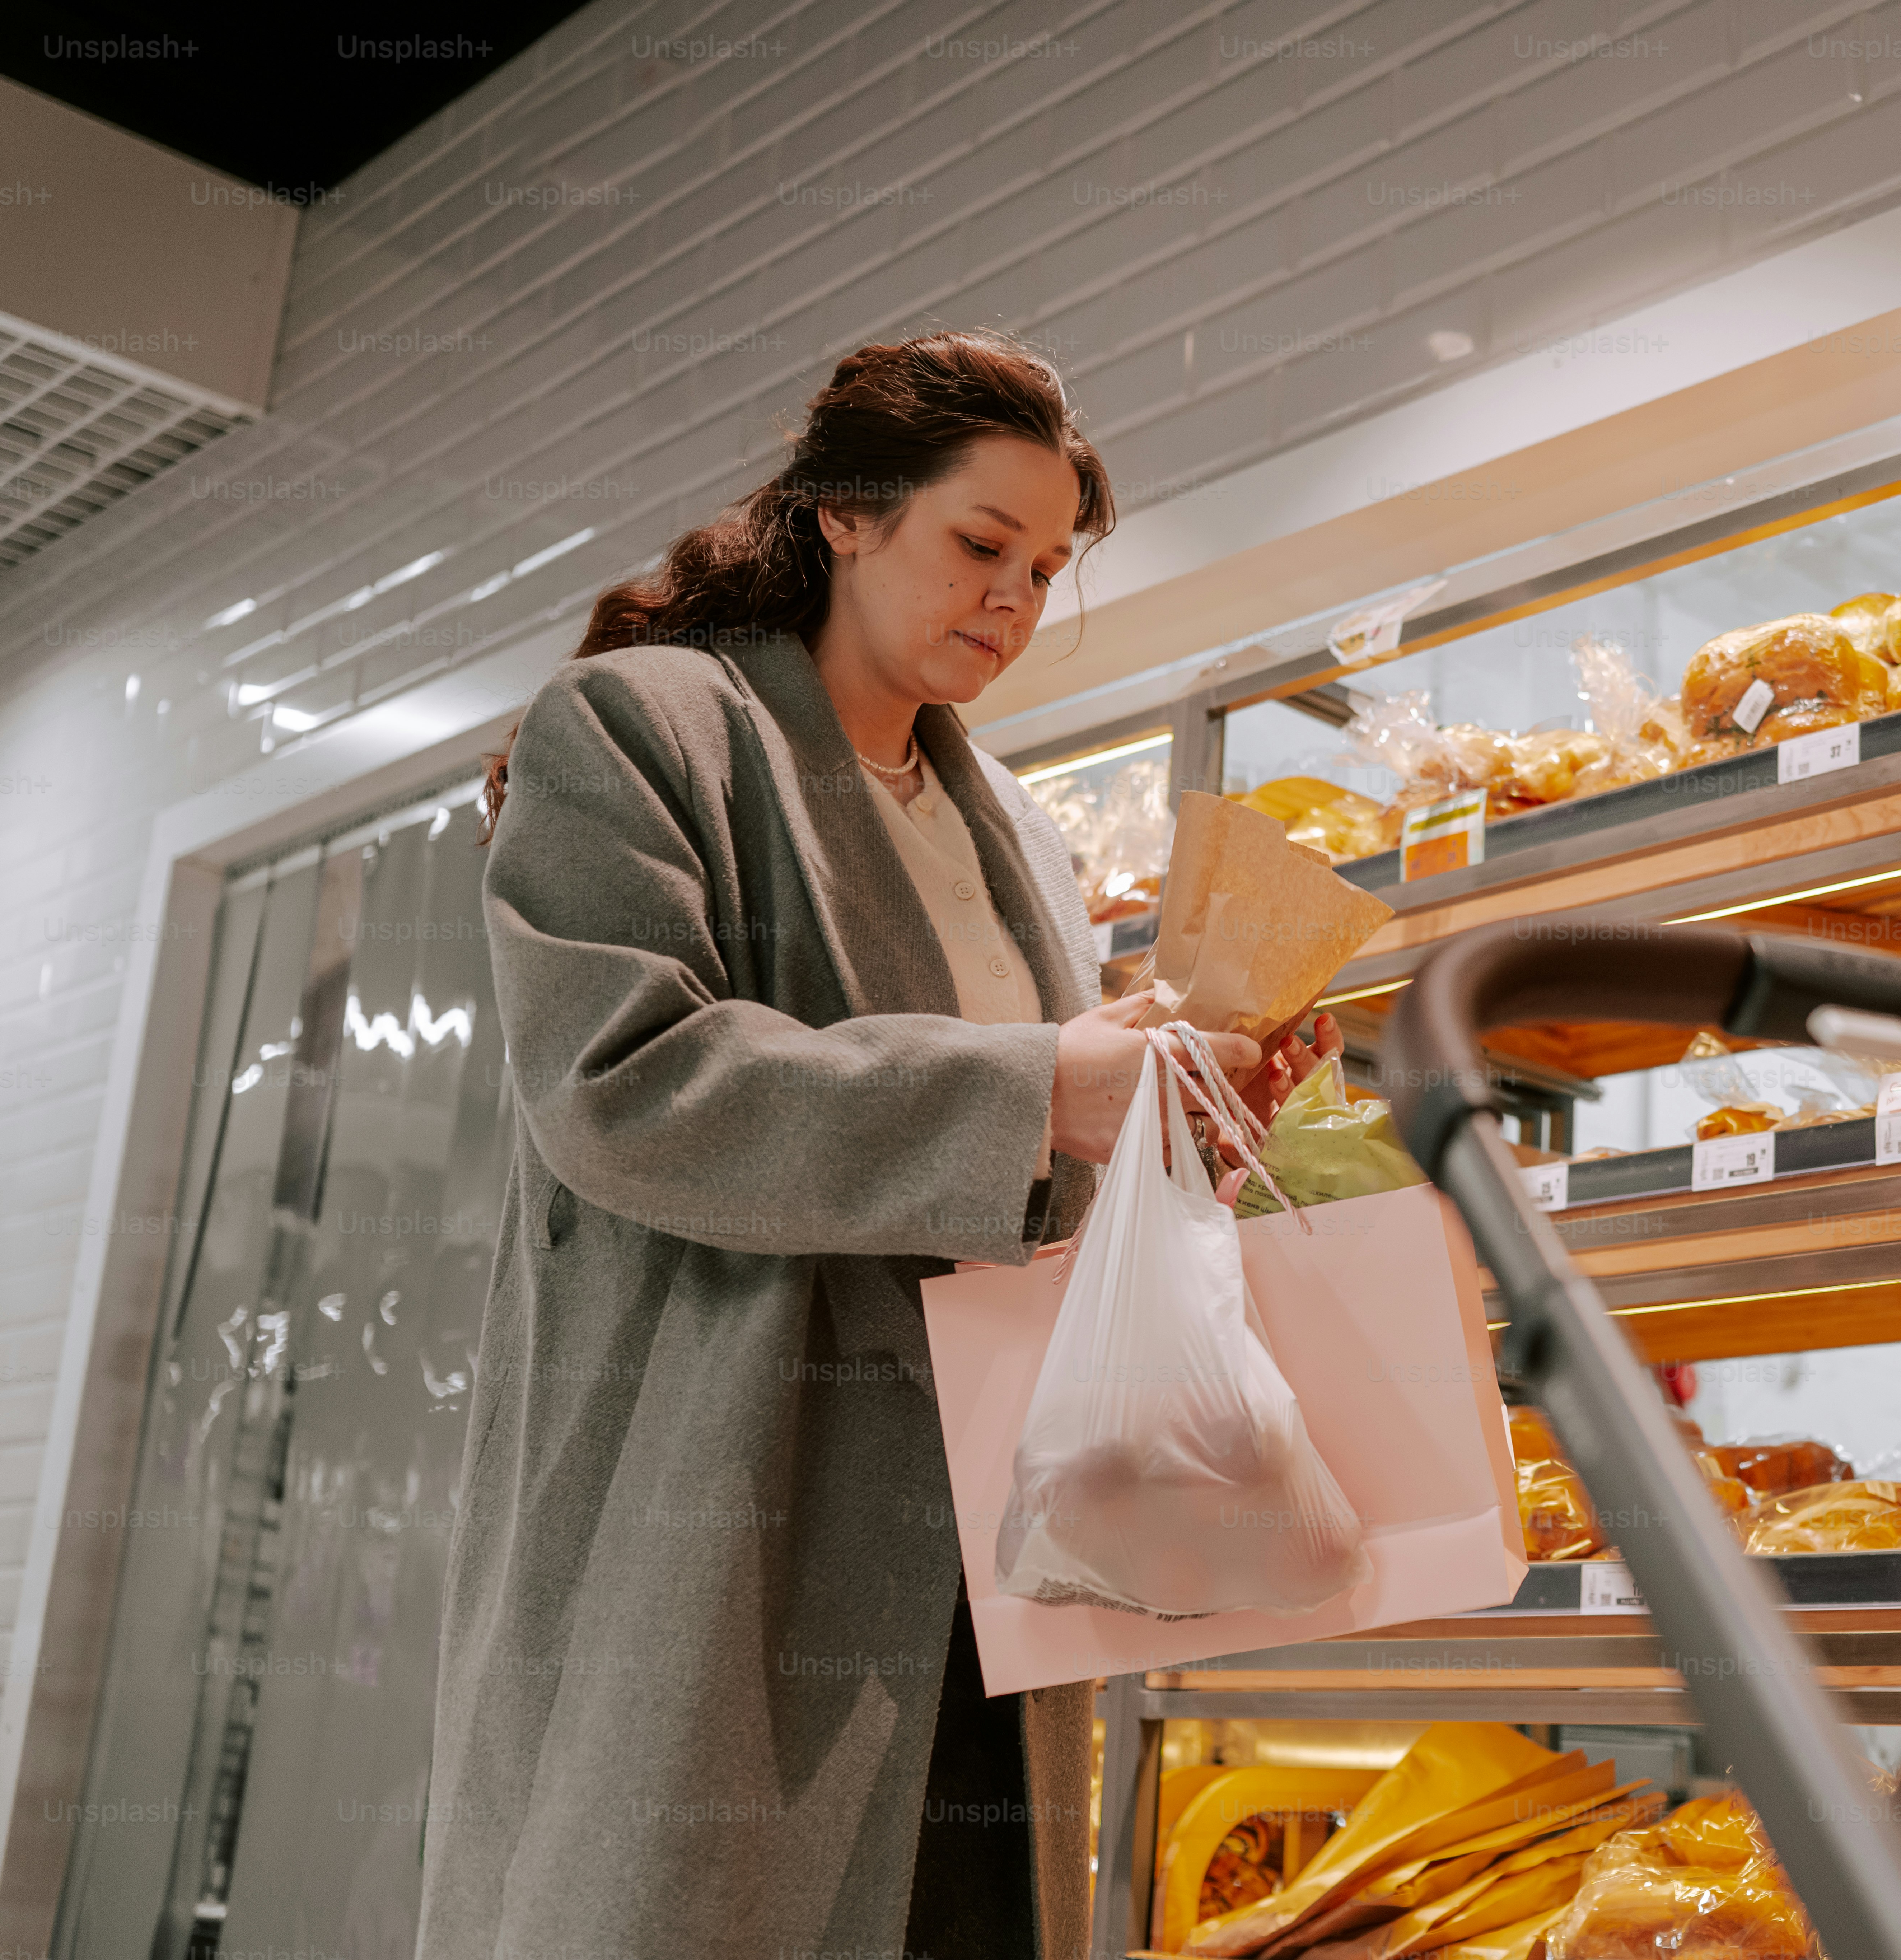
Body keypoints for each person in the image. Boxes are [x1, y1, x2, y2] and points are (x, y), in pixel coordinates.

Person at [420, 332, 1328, 1960]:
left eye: (1046, 570)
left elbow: (1012, 1177)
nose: (1014, 600)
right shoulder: (643, 731)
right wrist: (1038, 1085)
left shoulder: (1022, 847)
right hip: (738, 1502)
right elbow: (624, 1086)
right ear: (844, 512)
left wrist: (1173, 1118)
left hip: (993, 1534)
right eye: (982, 544)